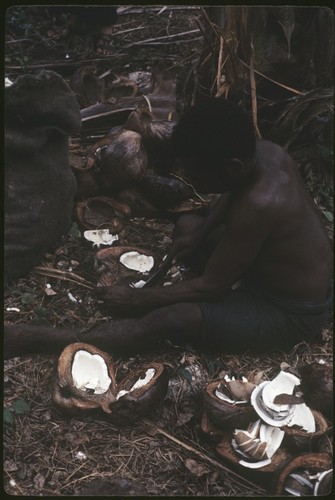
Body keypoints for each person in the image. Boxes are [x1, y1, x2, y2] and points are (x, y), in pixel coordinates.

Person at [4, 98, 332, 358]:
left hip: (289, 312)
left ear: (232, 166)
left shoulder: (262, 202)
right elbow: (231, 197)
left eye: (202, 179)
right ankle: (204, 253)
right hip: (264, 269)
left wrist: (137, 300)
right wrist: (199, 236)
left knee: (174, 318)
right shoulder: (263, 154)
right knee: (188, 223)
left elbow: (210, 289)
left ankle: (45, 338)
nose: (196, 184)